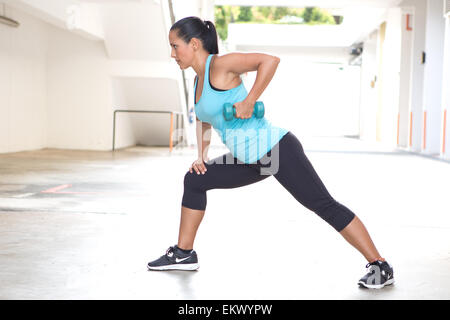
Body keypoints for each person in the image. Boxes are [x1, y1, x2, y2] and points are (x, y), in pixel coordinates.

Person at [147, 16, 394, 289]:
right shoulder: (197, 81)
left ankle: (379, 264)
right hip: (248, 160)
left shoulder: (220, 65)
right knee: (195, 178)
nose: (172, 54)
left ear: (193, 44)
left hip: (275, 150)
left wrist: (249, 100)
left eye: (175, 46)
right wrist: (201, 157)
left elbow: (270, 60)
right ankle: (184, 254)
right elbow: (205, 119)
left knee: (322, 205)